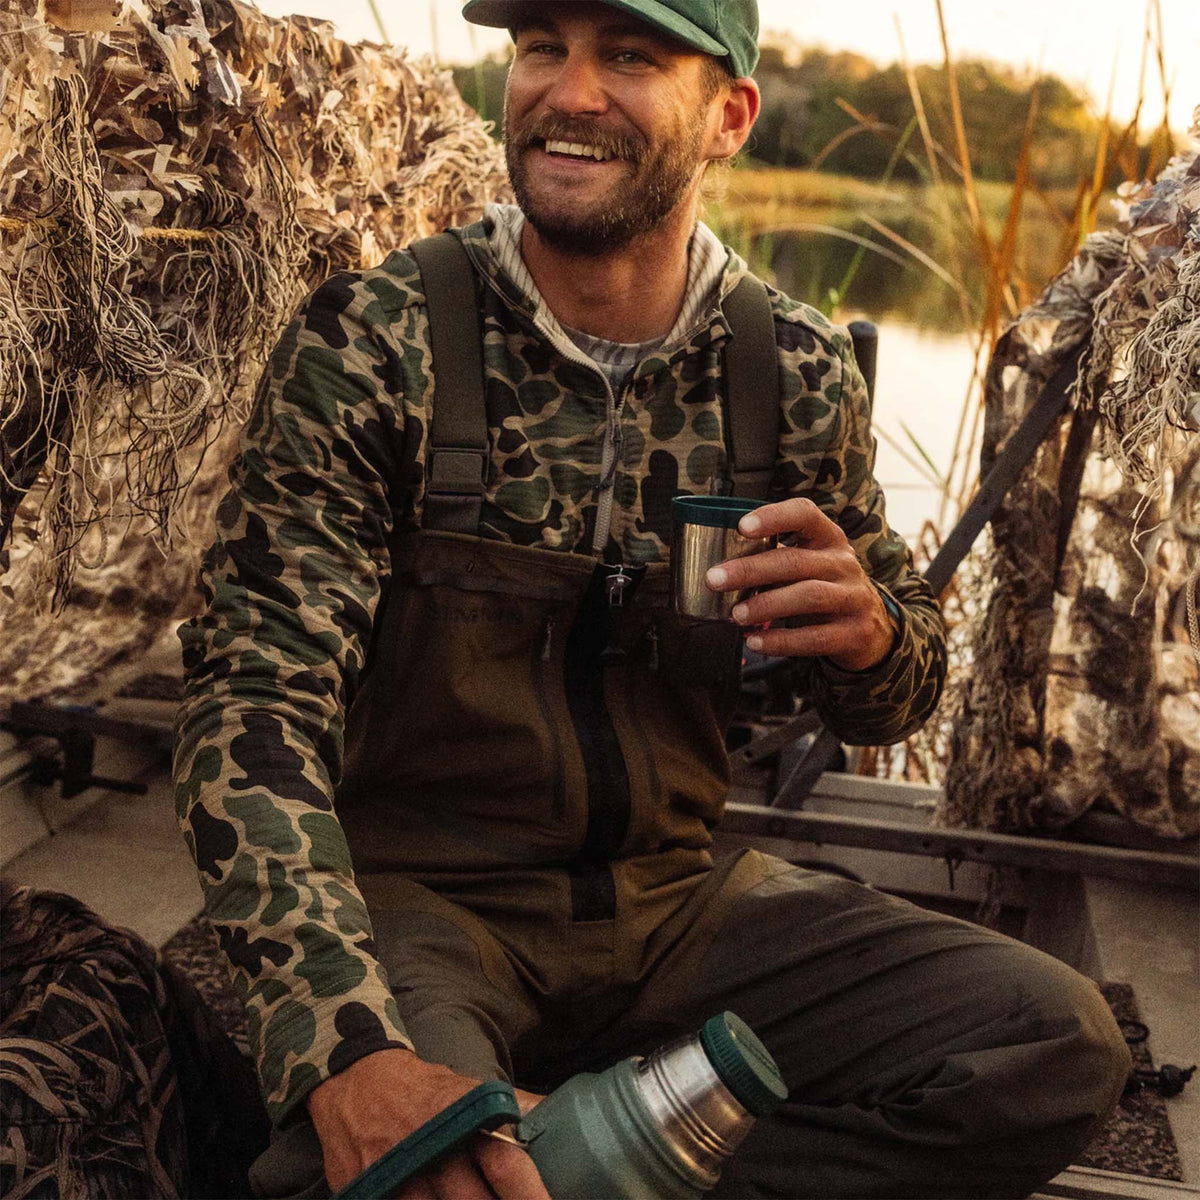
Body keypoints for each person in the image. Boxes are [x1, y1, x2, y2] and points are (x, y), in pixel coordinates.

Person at [173, 2, 1130, 1196]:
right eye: (542, 46)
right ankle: (574, 1142)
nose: (568, 91)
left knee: (1051, 1046)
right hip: (424, 910)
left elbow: (895, 701)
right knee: (413, 1157)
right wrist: (346, 1049)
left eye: (629, 55)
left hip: (679, 904)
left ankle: (584, 1156)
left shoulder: (795, 367)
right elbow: (249, 708)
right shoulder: (376, 337)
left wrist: (877, 639)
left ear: (730, 115)